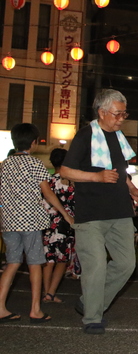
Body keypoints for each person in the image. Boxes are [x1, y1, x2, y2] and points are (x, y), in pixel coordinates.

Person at [61, 89, 138, 335]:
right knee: (96, 265)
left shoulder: (119, 137)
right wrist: (95, 176)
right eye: (117, 114)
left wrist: (131, 188)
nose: (121, 119)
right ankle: (92, 317)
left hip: (120, 211)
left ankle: (90, 302)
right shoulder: (85, 135)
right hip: (91, 214)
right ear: (102, 112)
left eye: (123, 114)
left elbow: (120, 170)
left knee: (127, 264)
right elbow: (66, 171)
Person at [0, 123, 74, 323]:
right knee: (35, 264)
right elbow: (47, 193)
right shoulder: (35, 164)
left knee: (12, 263)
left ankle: (0, 308)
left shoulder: (4, 164)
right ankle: (35, 309)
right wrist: (66, 215)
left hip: (8, 221)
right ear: (33, 143)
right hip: (30, 222)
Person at [42, 148, 77, 304]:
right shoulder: (69, 183)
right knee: (62, 260)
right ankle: (51, 293)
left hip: (46, 224)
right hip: (65, 224)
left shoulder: (46, 182)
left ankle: (45, 292)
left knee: (49, 259)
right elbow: (76, 205)